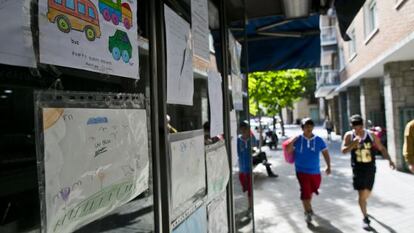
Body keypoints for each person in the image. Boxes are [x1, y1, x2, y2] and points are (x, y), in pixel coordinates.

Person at [341, 114, 395, 229]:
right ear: (351, 126)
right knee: (361, 194)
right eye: (354, 127)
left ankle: (363, 204)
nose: (357, 129)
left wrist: (390, 160)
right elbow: (343, 150)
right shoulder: (349, 136)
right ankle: (365, 218)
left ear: (362, 125)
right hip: (357, 169)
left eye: (359, 127)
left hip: (370, 168)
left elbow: (382, 148)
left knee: (367, 193)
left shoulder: (371, 135)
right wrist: (353, 144)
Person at [286, 117, 331, 223]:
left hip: (315, 171)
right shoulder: (297, 140)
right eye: (306, 126)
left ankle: (307, 208)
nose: (309, 128)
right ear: (302, 128)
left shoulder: (319, 140)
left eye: (311, 125)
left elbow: (325, 153)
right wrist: (292, 140)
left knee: (310, 191)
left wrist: (329, 166)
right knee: (305, 191)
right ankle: (308, 211)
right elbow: (288, 150)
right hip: (301, 171)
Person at [237, 121, 278, 208]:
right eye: (243, 129)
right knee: (244, 188)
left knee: (249, 190)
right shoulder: (238, 140)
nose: (244, 131)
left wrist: (254, 138)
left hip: (250, 167)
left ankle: (250, 206)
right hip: (242, 168)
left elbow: (256, 146)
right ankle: (247, 204)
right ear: (240, 130)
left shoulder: (251, 139)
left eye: (246, 129)